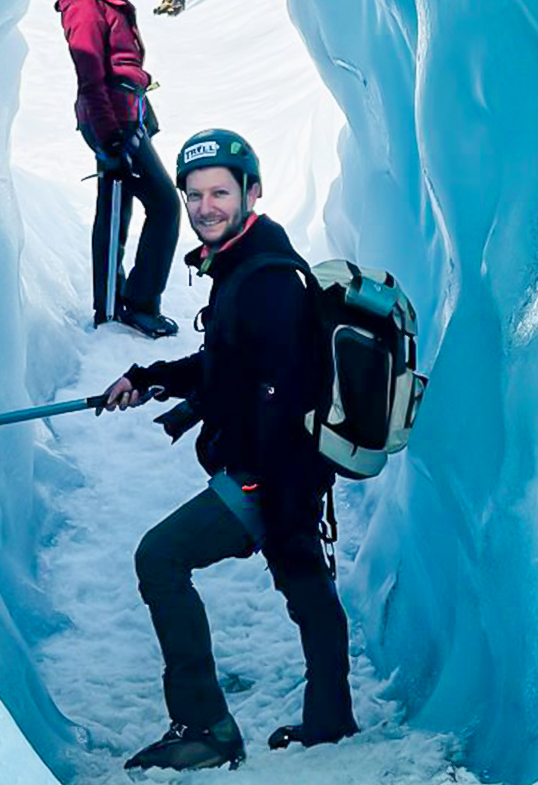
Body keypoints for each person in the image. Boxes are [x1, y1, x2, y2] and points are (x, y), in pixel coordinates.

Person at [101, 129, 359, 771]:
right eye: (193, 195)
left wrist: (274, 494)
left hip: (269, 474)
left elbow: (278, 388)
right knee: (305, 583)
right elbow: (231, 365)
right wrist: (155, 380)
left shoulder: (265, 279)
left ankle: (207, 729)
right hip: (282, 471)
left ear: (252, 192)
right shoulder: (249, 265)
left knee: (160, 558)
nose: (204, 206)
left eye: (220, 191)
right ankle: (332, 717)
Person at [55, 0, 180, 338]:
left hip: (125, 113)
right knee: (162, 204)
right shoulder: (84, 6)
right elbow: (90, 78)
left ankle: (113, 304)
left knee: (117, 206)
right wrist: (112, 139)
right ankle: (132, 306)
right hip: (111, 119)